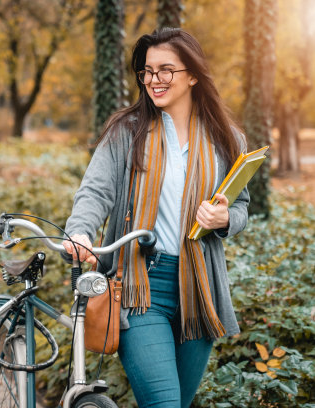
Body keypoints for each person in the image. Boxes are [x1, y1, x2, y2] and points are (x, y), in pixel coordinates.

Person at [62, 27, 249, 408]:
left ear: (193, 75)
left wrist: (224, 219)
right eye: (147, 71)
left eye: (166, 70)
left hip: (200, 289)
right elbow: (95, 192)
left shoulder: (225, 138)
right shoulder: (127, 132)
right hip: (141, 286)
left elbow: (241, 205)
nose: (153, 80)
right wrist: (80, 232)